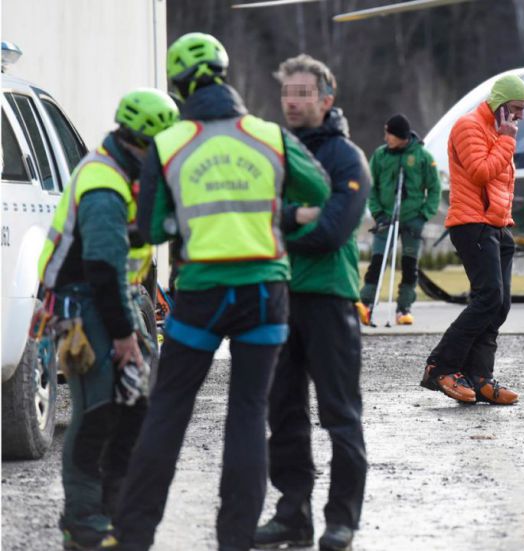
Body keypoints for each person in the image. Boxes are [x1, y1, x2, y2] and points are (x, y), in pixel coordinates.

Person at [105, 33, 329, 551]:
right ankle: (234, 542)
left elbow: (153, 228)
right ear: (225, 77)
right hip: (263, 294)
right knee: (248, 414)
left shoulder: (169, 143)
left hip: (202, 293)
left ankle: (135, 536)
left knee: (168, 411)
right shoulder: (269, 136)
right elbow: (318, 190)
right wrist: (276, 214)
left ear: (180, 88)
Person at [36, 89, 177, 550]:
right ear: (144, 141)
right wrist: (123, 337)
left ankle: (114, 512)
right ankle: (82, 521)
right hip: (84, 308)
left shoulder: (127, 172)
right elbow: (100, 266)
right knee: (98, 412)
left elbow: (129, 244)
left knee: (132, 410)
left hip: (117, 299)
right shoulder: (103, 182)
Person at [252, 53, 371, 551]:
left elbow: (331, 231)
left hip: (329, 299)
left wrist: (278, 231)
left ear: (327, 99)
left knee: (340, 414)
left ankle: (341, 520)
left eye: (303, 93)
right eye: (287, 93)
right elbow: (249, 216)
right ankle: (291, 516)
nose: (293, 102)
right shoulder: (270, 153)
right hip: (279, 297)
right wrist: (289, 219)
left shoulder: (347, 158)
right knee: (283, 414)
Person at [419, 74, 524, 406]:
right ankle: (442, 366)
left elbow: (500, 180)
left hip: (498, 225)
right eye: (515, 109)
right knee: (488, 298)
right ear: (498, 105)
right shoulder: (468, 127)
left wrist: (503, 138)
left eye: (522, 110)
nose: (519, 117)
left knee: (500, 304)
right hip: (472, 223)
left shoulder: (497, 131)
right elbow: (481, 171)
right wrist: (507, 140)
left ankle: (480, 377)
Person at [356, 113, 441, 326]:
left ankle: (404, 309)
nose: (386, 138)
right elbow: (370, 187)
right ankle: (366, 304)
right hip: (385, 218)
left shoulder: (422, 156)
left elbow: (434, 189)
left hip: (413, 218)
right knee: (377, 262)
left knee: (409, 265)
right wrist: (377, 213)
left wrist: (424, 215)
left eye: (389, 134)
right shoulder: (380, 155)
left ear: (401, 136)